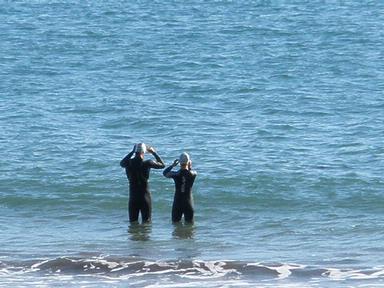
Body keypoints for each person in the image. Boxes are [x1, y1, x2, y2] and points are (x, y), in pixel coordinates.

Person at [120, 143, 165, 223]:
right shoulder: (147, 163)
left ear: (135, 152)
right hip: (145, 197)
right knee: (147, 223)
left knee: (133, 223)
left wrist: (131, 152)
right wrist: (154, 152)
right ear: (144, 152)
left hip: (133, 197)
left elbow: (121, 163)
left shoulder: (128, 163)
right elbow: (162, 165)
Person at [163, 152, 197, 223]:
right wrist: (189, 166)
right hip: (188, 202)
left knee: (175, 226)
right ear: (188, 162)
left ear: (179, 163)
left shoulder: (175, 174)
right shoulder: (193, 174)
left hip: (178, 202)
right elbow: (191, 171)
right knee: (190, 228)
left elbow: (165, 173)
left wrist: (172, 165)